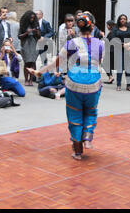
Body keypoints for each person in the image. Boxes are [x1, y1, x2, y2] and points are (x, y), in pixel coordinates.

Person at [28, 13, 104, 160]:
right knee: (90, 111)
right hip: (93, 83)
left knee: (74, 114)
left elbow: (55, 63)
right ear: (92, 26)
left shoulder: (71, 43)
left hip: (74, 82)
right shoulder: (100, 44)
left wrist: (39, 72)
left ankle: (77, 152)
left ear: (78, 27)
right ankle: (87, 137)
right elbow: (99, 62)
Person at [112, 14, 130, 91]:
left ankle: (128, 85)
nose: (123, 20)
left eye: (124, 19)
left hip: (128, 50)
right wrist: (122, 44)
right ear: (119, 20)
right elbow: (113, 39)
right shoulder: (116, 29)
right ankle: (118, 85)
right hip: (119, 50)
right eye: (121, 19)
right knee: (120, 68)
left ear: (126, 20)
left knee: (128, 68)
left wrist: (129, 44)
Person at [18, 10, 41, 86]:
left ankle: (31, 80)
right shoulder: (23, 25)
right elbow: (19, 36)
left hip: (34, 44)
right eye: (30, 18)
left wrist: (36, 32)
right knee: (27, 62)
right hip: (26, 45)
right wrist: (26, 33)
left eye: (33, 18)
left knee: (33, 62)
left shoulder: (35, 25)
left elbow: (39, 37)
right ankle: (26, 79)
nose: (32, 19)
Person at [103, 20, 116, 84]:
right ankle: (110, 77)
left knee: (105, 64)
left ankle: (110, 77)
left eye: (107, 25)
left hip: (111, 51)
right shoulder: (113, 32)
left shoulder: (112, 32)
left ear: (110, 25)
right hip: (112, 50)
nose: (107, 26)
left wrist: (103, 37)